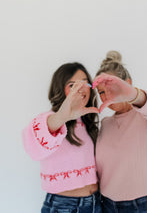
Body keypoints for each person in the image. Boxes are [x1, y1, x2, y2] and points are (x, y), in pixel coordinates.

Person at [93, 51, 147, 213]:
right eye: (101, 92)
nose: (106, 95)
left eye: (111, 87)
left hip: (144, 205)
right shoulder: (105, 124)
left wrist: (134, 95)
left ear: (128, 83)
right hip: (108, 205)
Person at [22, 62, 102, 213]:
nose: (80, 87)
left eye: (85, 82)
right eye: (72, 84)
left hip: (95, 203)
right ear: (60, 88)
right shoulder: (50, 119)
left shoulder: (87, 123)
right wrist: (62, 117)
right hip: (64, 206)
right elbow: (33, 145)